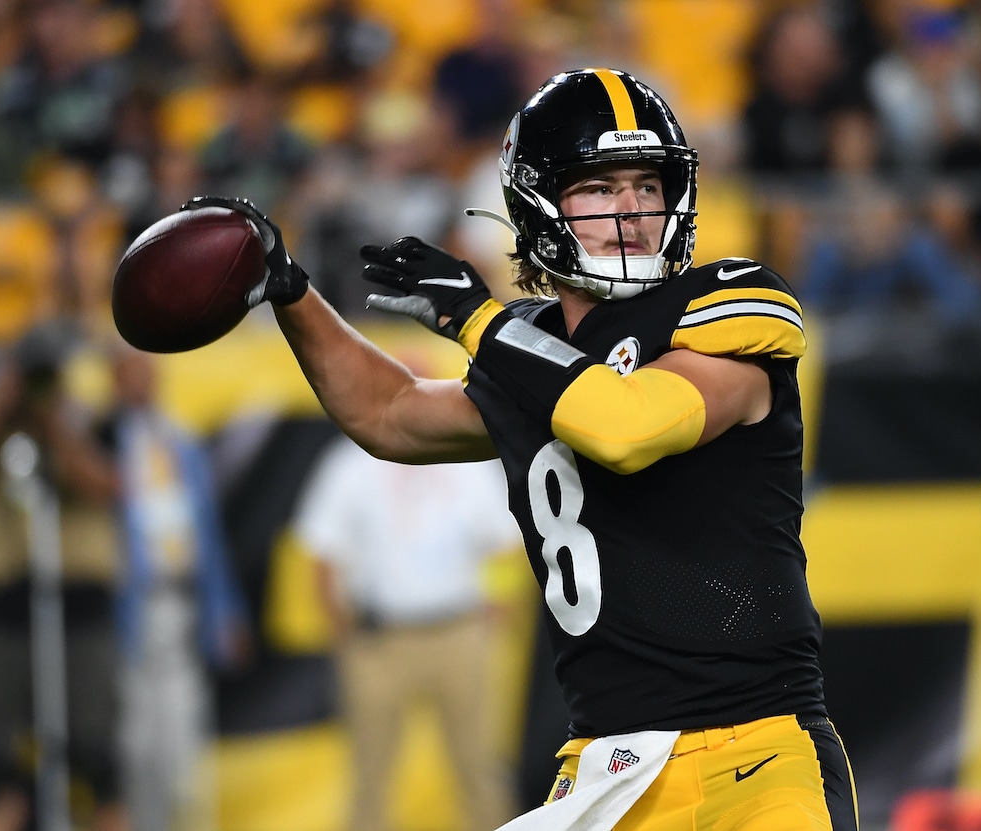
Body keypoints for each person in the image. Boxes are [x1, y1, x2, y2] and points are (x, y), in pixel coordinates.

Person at [181, 67, 858, 830]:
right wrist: (291, 290)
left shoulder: (726, 301)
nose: (632, 210)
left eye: (647, 184)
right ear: (540, 204)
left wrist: (479, 319)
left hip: (756, 758)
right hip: (604, 767)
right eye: (600, 188)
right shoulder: (525, 349)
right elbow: (389, 411)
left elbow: (628, 428)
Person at [0, 320, 127, 831]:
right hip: (4, 607)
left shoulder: (86, 419)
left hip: (80, 605)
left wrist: (51, 422)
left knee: (98, 761)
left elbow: (108, 485)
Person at [292, 434, 520, 831]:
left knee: (479, 762)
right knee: (371, 768)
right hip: (379, 639)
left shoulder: (467, 460)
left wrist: (497, 608)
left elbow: (504, 538)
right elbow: (322, 547)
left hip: (458, 630)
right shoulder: (349, 464)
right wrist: (340, 628)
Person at [104, 346, 250, 831]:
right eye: (128, 373)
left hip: (181, 606)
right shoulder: (105, 443)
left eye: (146, 371)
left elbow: (206, 536)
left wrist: (224, 610)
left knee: (185, 747)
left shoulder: (180, 444)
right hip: (131, 611)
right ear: (114, 380)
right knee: (136, 748)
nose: (140, 382)